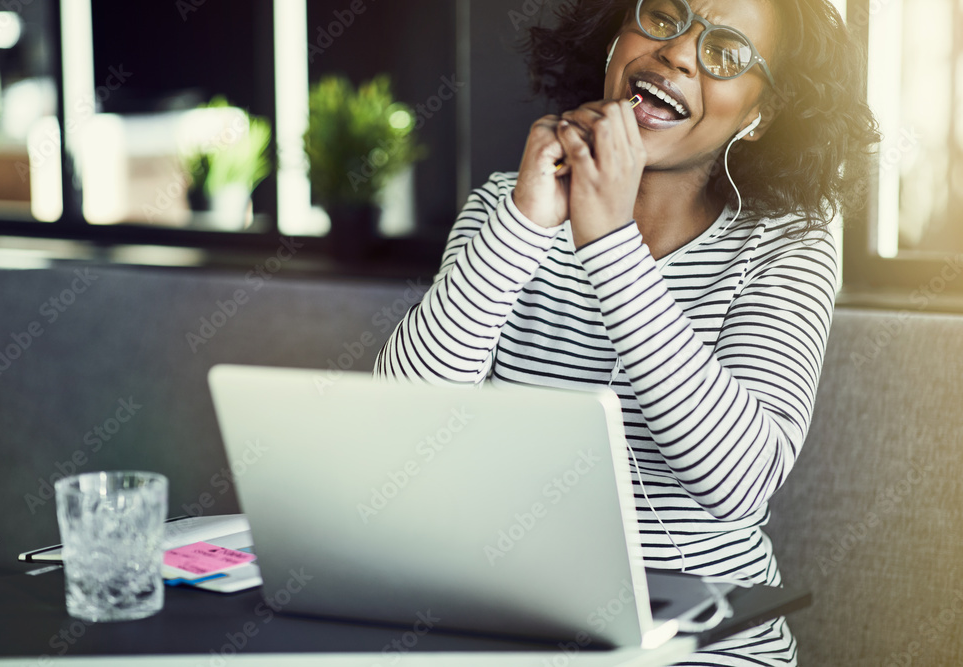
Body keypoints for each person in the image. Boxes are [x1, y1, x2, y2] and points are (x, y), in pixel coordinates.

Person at [374, 0, 879, 663]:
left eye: (724, 52)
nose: (676, 53)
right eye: (663, 16)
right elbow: (400, 418)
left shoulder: (787, 245)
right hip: (514, 627)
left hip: (701, 645)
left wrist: (610, 241)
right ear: (614, 39)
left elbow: (737, 479)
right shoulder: (511, 203)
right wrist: (525, 225)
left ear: (760, 115)